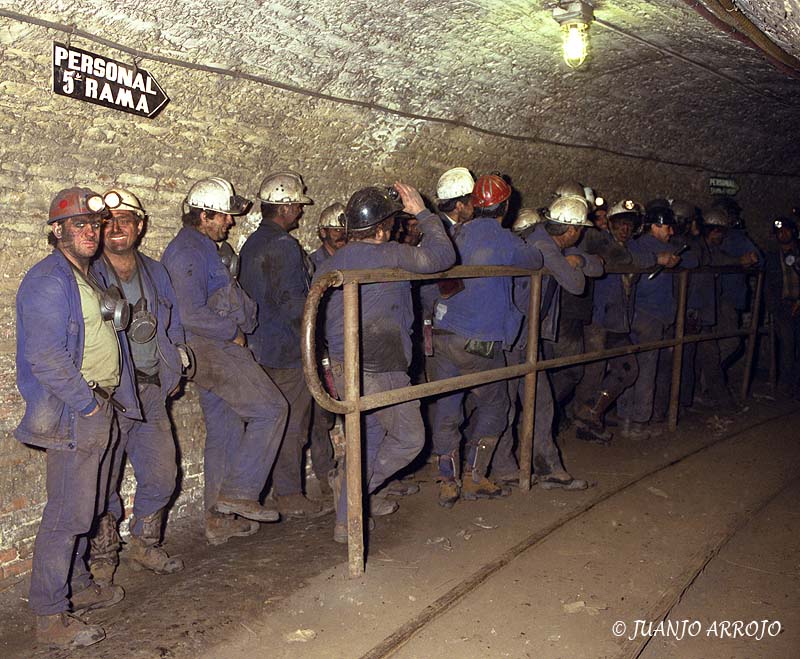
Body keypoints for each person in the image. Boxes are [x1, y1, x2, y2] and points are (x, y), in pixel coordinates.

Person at [15, 187, 142, 648]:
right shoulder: (49, 280)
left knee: (87, 506)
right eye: (79, 224)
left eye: (95, 224)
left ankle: (78, 585)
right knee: (67, 514)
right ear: (57, 230)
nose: (91, 231)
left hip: (99, 406)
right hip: (75, 412)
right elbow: (46, 357)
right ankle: (50, 615)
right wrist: (87, 404)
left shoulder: (87, 274)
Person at [313, 183, 455, 542]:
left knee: (369, 438)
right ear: (380, 229)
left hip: (344, 366)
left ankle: (347, 519)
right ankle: (352, 493)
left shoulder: (330, 264)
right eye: (391, 225)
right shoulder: (389, 254)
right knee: (410, 438)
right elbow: (442, 257)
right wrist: (422, 212)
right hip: (380, 367)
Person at [162, 177, 288, 545]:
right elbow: (189, 312)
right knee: (272, 409)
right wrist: (232, 332)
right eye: (223, 216)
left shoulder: (203, 247)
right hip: (213, 349)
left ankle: (217, 519)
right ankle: (241, 492)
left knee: (226, 429)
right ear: (203, 215)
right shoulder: (188, 251)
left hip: (209, 350)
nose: (230, 222)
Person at [89, 188, 187, 585]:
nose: (116, 228)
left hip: (149, 391)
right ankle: (102, 553)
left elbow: (173, 323)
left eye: (125, 220)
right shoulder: (89, 273)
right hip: (108, 394)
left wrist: (176, 365)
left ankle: (145, 543)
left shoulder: (156, 272)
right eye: (107, 222)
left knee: (163, 474)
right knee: (102, 477)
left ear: (140, 226)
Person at [428, 174, 543, 508]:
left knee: (448, 405)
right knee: (496, 405)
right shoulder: (504, 239)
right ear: (505, 207)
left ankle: (447, 481)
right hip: (478, 341)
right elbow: (535, 261)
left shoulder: (455, 234)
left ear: (474, 204)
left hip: (443, 335)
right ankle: (474, 477)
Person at [492, 189, 602, 489]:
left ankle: (540, 467)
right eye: (580, 231)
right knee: (511, 403)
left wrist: (578, 259)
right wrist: (573, 262)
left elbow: (597, 266)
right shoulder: (543, 245)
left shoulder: (547, 243)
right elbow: (576, 284)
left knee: (535, 401)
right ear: (572, 230)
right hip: (512, 333)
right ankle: (508, 467)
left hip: (525, 333)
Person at [239, 171, 323, 519]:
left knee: (272, 421)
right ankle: (289, 494)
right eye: (297, 206)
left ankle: (271, 490)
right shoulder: (285, 246)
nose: (300, 212)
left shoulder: (251, 244)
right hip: (287, 351)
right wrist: (312, 340)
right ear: (284, 208)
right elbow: (293, 303)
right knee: (292, 425)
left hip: (259, 348)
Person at [573, 200, 655, 443]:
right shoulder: (603, 244)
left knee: (626, 369)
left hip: (618, 321)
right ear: (610, 224)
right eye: (620, 224)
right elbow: (626, 260)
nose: (624, 229)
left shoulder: (633, 248)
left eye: (629, 224)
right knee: (595, 371)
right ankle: (584, 417)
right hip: (598, 319)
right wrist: (657, 258)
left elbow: (638, 259)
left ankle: (589, 413)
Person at [618, 199, 697, 439]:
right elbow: (695, 260)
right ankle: (639, 422)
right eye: (667, 227)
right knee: (646, 369)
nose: (671, 232)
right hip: (650, 316)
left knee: (631, 367)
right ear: (655, 226)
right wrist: (661, 257)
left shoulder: (640, 245)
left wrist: (673, 256)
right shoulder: (649, 247)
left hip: (637, 315)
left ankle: (626, 419)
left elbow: (692, 259)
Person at [765, 216, 800, 397]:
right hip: (784, 307)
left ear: (793, 231)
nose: (783, 233)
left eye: (786, 229)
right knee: (787, 346)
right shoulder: (772, 258)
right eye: (779, 231)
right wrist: (772, 308)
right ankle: (786, 386)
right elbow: (768, 285)